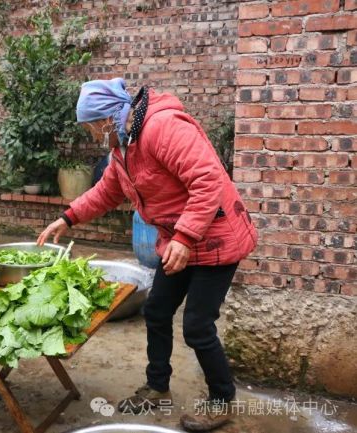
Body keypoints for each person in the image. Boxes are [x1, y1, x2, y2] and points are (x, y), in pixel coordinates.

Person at [37, 78, 257, 432]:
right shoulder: (123, 147)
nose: (93, 135)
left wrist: (185, 237)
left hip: (216, 237)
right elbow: (107, 191)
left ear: (109, 117)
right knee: (156, 310)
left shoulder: (162, 127)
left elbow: (208, 180)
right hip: (178, 243)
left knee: (198, 326)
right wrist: (69, 217)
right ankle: (157, 386)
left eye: (92, 126)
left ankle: (222, 401)